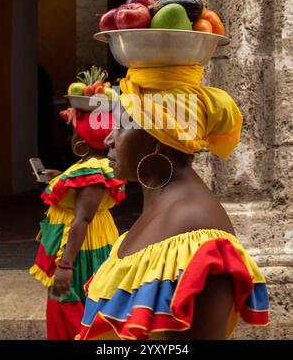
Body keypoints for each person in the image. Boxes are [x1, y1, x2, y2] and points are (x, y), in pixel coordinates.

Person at [77, 65, 269, 340]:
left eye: (121, 126)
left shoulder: (195, 233)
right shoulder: (161, 211)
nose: (108, 139)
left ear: (159, 140)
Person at [30, 109, 126, 340]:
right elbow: (83, 195)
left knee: (73, 311)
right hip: (88, 243)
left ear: (82, 140)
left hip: (80, 250)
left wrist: (65, 267)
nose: (70, 137)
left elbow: (82, 218)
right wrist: (61, 177)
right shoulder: (94, 167)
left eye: (73, 132)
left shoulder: (91, 171)